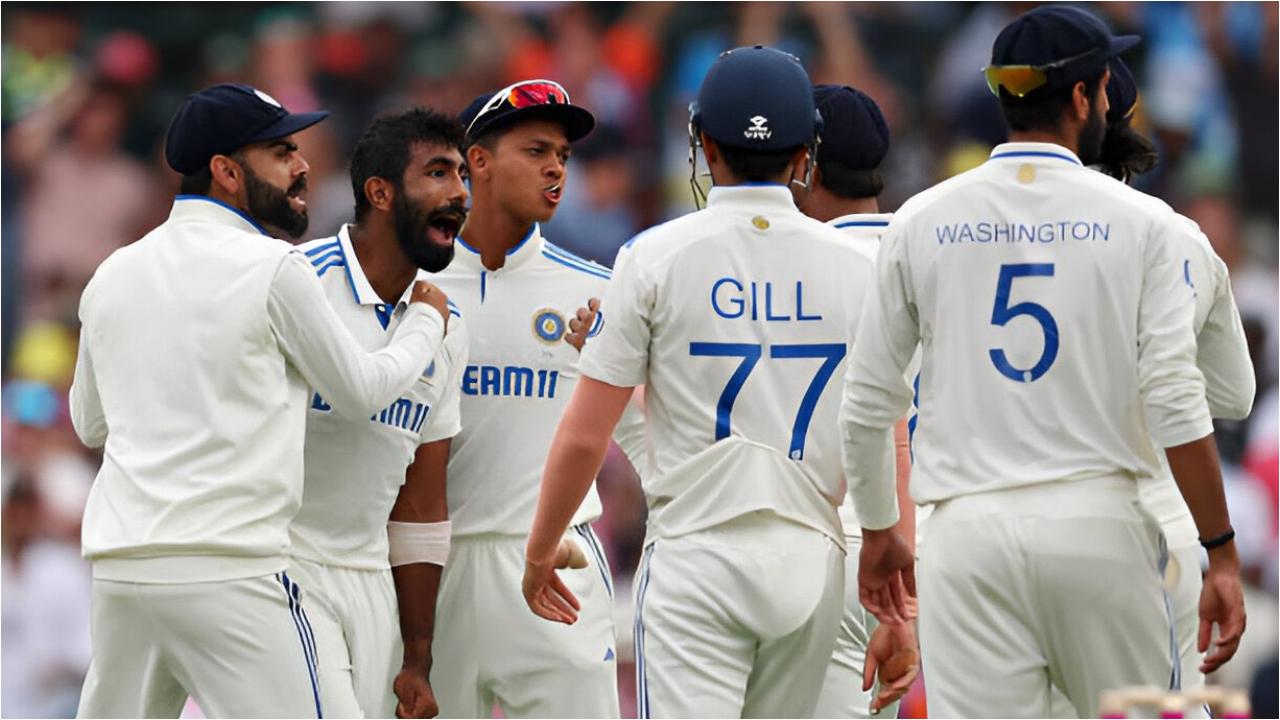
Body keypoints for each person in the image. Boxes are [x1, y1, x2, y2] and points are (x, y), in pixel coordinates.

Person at [841, 7, 1248, 718]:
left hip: (965, 536)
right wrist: (1220, 550)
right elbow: (1189, 397)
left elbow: (869, 404)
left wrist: (881, 533)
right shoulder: (1150, 224)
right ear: (1089, 95)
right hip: (1099, 522)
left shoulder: (921, 218)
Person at [69, 84, 452, 719]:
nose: (302, 166)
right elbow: (360, 394)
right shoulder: (275, 267)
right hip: (233, 573)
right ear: (225, 171)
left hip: (122, 574)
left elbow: (89, 424)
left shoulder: (114, 272)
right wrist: (425, 325)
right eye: (280, 151)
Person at [523, 46, 879, 718]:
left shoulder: (654, 255)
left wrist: (540, 549)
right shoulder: (855, 267)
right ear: (807, 154)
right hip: (815, 557)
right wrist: (900, 591)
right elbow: (883, 439)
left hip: (696, 559)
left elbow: (581, 438)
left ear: (703, 145)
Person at [428, 79, 629, 718]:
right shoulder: (410, 287)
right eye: (536, 150)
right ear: (477, 163)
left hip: (555, 562)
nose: (555, 168)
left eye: (563, 157)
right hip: (432, 569)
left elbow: (645, 431)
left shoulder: (598, 290)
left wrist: (595, 360)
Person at [286, 108, 471, 719]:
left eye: (464, 176)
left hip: (370, 587)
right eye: (439, 173)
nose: (460, 194)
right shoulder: (296, 285)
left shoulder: (447, 327)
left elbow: (421, 505)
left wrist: (417, 657)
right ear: (380, 192)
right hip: (282, 568)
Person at [797, 84, 920, 719]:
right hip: (963, 543)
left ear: (805, 164)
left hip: (844, 542)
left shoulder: (793, 264)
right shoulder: (936, 250)